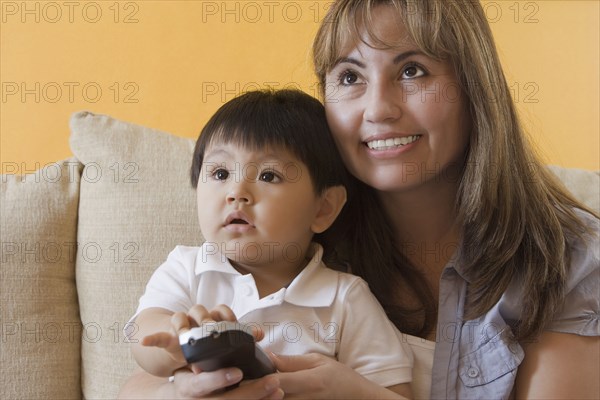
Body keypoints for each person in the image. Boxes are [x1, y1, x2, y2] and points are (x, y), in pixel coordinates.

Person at [119, 1, 599, 398]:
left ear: (475, 89)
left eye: (412, 70)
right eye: (349, 77)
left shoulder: (565, 259)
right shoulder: (290, 227)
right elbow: (140, 380)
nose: (378, 109)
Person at [124, 89, 413, 399]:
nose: (236, 192)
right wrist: (182, 341)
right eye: (220, 172)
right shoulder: (187, 268)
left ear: (323, 208)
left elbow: (395, 393)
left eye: (269, 175)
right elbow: (145, 337)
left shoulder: (344, 298)